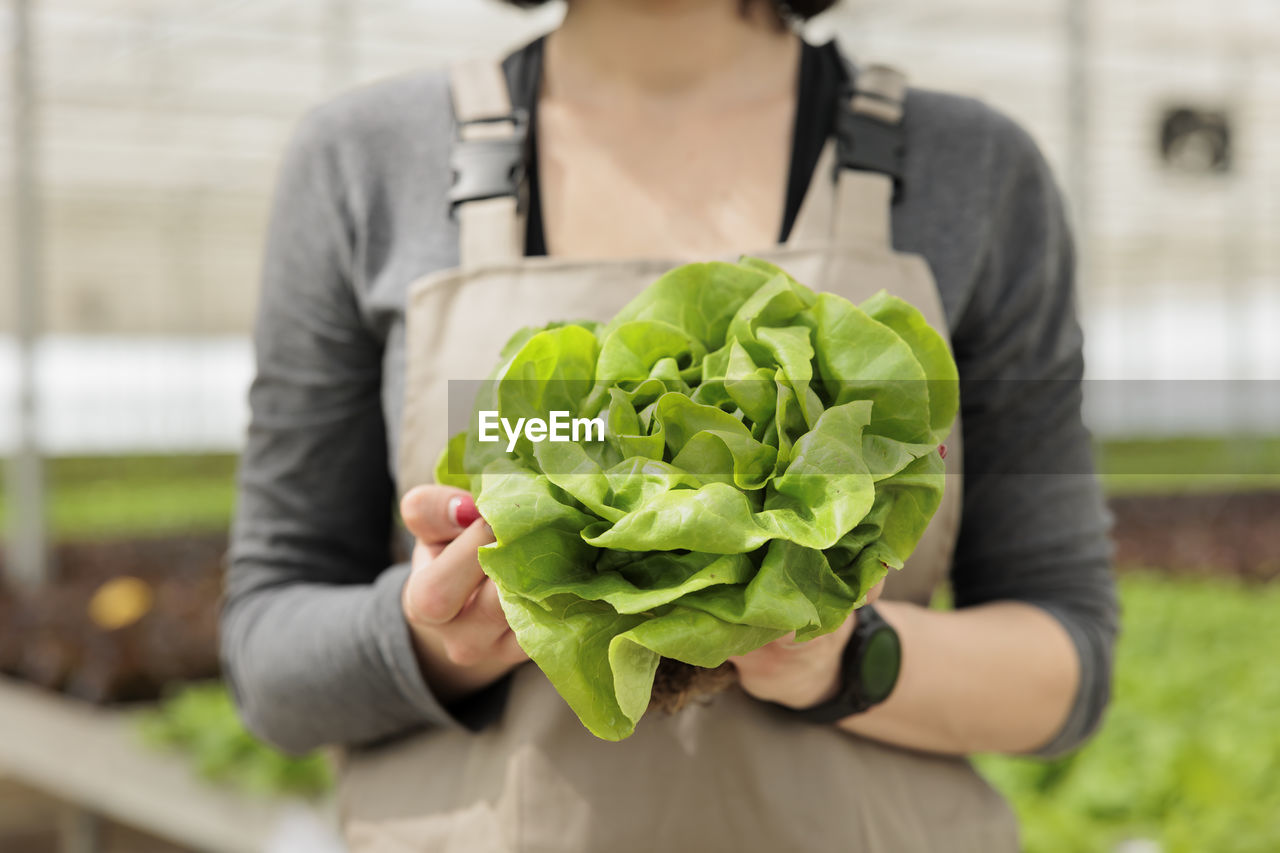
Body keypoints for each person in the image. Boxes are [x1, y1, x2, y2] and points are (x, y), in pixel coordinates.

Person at [222, 0, 1118, 849]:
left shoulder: (973, 169)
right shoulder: (367, 160)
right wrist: (445, 635)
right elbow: (269, 654)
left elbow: (1066, 659)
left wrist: (841, 657)